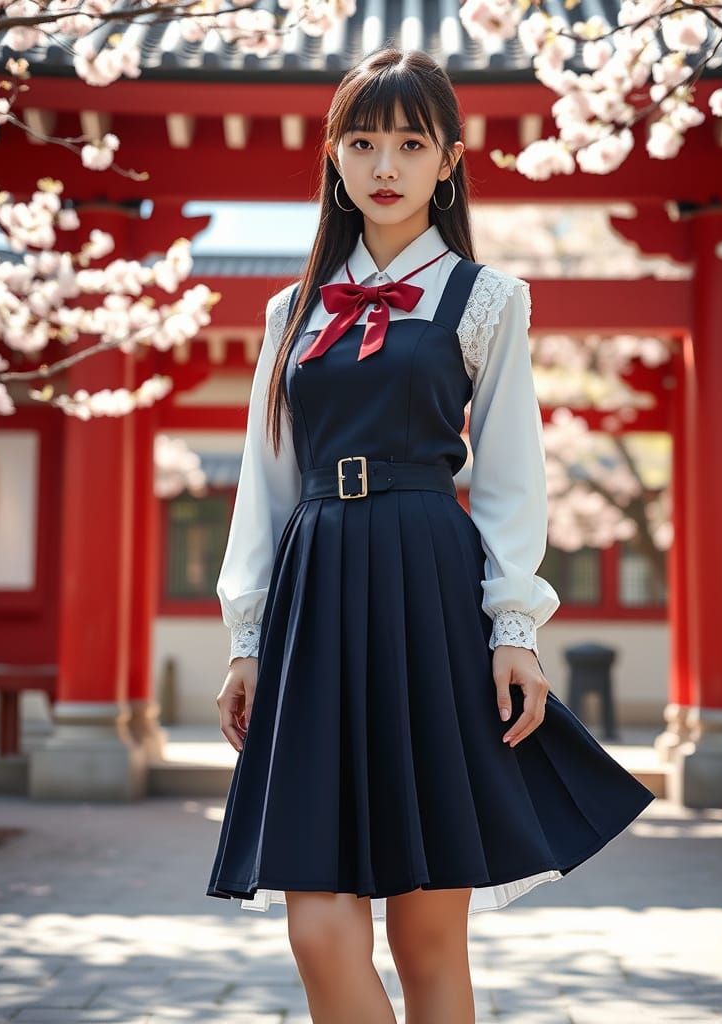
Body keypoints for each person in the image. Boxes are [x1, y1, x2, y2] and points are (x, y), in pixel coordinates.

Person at [206, 46, 655, 1024]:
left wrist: (515, 628)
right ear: (332, 155)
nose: (385, 166)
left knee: (425, 935)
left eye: (411, 144)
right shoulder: (291, 312)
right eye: (362, 141)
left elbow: (507, 481)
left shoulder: (488, 299)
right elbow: (266, 481)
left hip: (427, 592)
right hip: (316, 594)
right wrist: (247, 639)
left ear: (449, 160)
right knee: (318, 928)